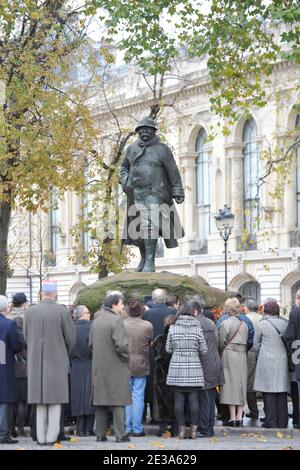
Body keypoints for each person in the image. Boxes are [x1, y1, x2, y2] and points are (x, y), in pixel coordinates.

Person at [120, 116, 185, 272]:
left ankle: (150, 260)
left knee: (150, 225)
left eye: (147, 129)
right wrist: (126, 181)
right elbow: (123, 168)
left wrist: (177, 190)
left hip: (156, 193)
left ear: (153, 131)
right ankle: (143, 258)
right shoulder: (131, 149)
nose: (144, 132)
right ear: (137, 132)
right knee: (138, 228)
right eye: (141, 129)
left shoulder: (162, 149)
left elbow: (173, 170)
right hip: (135, 193)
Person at [24, 282, 76, 446]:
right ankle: (51, 437)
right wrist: (62, 352)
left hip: (35, 363)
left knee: (39, 401)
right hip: (57, 360)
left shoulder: (30, 311)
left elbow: (26, 336)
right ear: (55, 294)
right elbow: (71, 338)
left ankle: (41, 437)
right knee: (55, 401)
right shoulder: (62, 311)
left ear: (41, 294)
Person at [89, 293, 131, 443]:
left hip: (99, 366)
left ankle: (100, 434)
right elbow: (121, 345)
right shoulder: (117, 321)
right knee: (118, 399)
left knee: (100, 400)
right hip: (116, 365)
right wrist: (126, 359)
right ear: (114, 305)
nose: (123, 306)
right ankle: (120, 434)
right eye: (121, 304)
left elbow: (91, 345)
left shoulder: (96, 321)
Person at [166, 303, 207, 439]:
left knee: (179, 400)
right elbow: (204, 350)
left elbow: (168, 349)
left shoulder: (172, 328)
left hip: (177, 367)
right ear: (191, 313)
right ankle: (194, 431)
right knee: (194, 400)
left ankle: (182, 431)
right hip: (194, 367)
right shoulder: (197, 328)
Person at [187, 295, 224, 437]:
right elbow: (218, 342)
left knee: (203, 399)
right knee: (209, 397)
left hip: (203, 364)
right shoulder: (211, 322)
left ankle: (204, 428)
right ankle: (209, 428)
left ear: (194, 311)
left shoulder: (195, 323)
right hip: (214, 362)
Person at [253, 301, 289, 428]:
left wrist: (260, 356)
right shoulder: (285, 324)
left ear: (265, 311)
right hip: (283, 360)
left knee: (268, 391)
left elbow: (256, 345)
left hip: (266, 360)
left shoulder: (261, 325)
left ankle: (271, 421)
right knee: (281, 390)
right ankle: (283, 421)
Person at [143, 288, 176, 422]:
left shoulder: (147, 314)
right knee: (166, 386)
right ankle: (164, 415)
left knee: (150, 384)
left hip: (151, 353)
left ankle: (149, 414)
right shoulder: (172, 312)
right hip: (168, 353)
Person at [124, 299, 153, 436]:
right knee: (138, 396)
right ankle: (137, 428)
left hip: (125, 363)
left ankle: (126, 427)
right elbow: (149, 342)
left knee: (126, 396)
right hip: (141, 363)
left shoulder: (122, 324)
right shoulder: (147, 325)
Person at [219, 298, 248, 427]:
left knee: (230, 384)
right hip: (242, 354)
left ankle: (232, 417)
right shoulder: (244, 324)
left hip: (229, 354)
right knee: (241, 384)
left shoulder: (225, 324)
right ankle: (239, 417)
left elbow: (221, 342)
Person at [0, 295, 23, 444]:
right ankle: (2, 434)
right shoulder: (9, 324)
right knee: (4, 400)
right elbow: (16, 346)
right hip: (4, 364)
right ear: (6, 308)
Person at [70, 305, 95, 436]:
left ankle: (79, 427)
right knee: (90, 395)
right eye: (88, 312)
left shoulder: (71, 329)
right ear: (84, 314)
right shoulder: (92, 327)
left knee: (78, 396)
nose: (90, 314)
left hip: (75, 364)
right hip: (90, 363)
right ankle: (89, 428)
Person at [7, 292, 29, 437]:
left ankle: (10, 429)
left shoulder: (7, 317)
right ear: (24, 303)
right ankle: (21, 429)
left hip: (9, 363)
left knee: (10, 400)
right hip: (23, 363)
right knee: (21, 400)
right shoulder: (26, 318)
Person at [152, 315, 177, 437]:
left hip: (161, 374)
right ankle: (175, 427)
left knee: (161, 400)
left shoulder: (159, 339)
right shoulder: (177, 337)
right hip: (174, 374)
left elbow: (156, 355)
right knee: (175, 399)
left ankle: (162, 428)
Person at [244, 298, 262, 420]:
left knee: (249, 383)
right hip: (261, 353)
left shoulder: (246, 319)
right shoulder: (262, 318)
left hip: (249, 353)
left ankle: (253, 410)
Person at [285, 301, 300, 429]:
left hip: (298, 352)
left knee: (297, 384)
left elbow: (289, 335)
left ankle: (298, 418)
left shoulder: (295, 312)